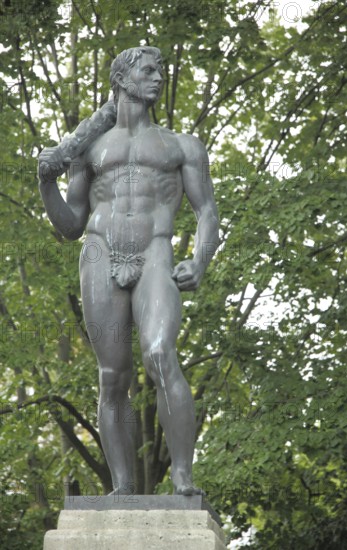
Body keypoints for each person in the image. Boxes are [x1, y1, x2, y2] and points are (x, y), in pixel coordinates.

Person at [38, 46, 219, 496]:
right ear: (123, 78)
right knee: (111, 378)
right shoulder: (89, 147)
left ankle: (181, 478)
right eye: (148, 70)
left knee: (160, 352)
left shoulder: (181, 146)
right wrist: (46, 183)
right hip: (99, 256)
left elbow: (207, 212)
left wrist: (198, 259)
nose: (158, 77)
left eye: (160, 70)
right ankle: (121, 487)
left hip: (155, 254)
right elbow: (70, 225)